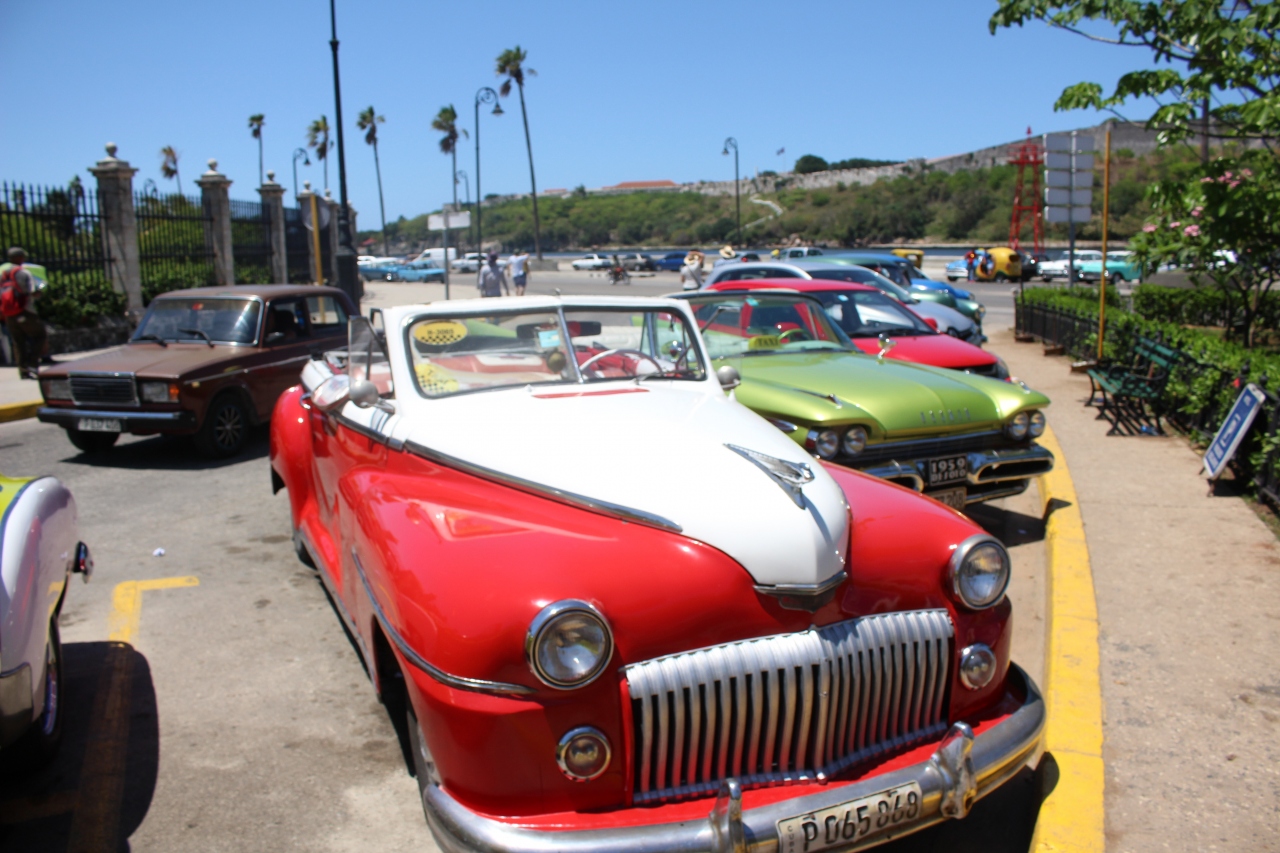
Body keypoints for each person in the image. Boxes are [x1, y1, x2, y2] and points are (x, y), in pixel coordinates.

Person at [1, 247, 48, 379]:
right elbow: (32, 292)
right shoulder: (23, 273)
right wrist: (40, 290)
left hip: (9, 313)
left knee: (18, 341)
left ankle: (23, 370)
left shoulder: (2, 274)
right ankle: (32, 364)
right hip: (25, 311)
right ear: (20, 258)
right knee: (40, 335)